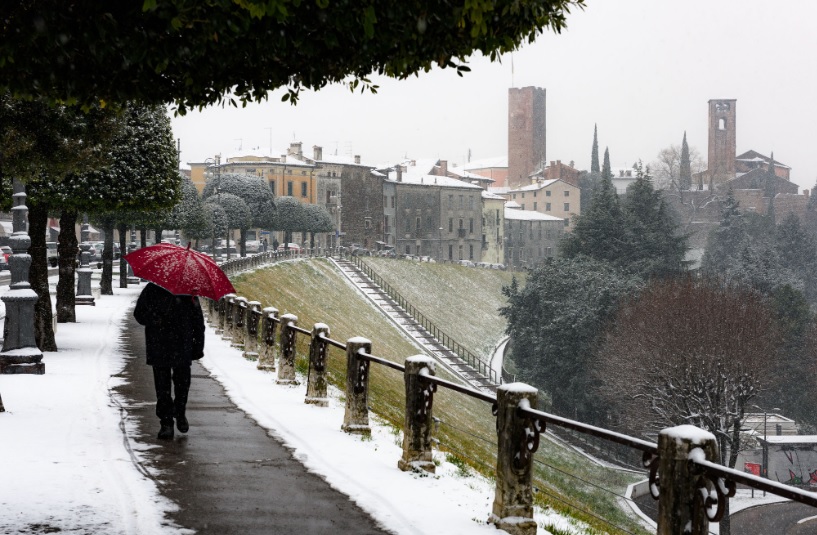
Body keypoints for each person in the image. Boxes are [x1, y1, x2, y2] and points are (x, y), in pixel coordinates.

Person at [134, 282, 205, 440]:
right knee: (162, 386)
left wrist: (198, 347)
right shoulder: (152, 289)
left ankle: (180, 412)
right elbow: (139, 313)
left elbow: (198, 320)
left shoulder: (189, 291)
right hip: (159, 343)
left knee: (182, 384)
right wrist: (155, 319)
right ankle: (166, 422)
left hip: (182, 344)